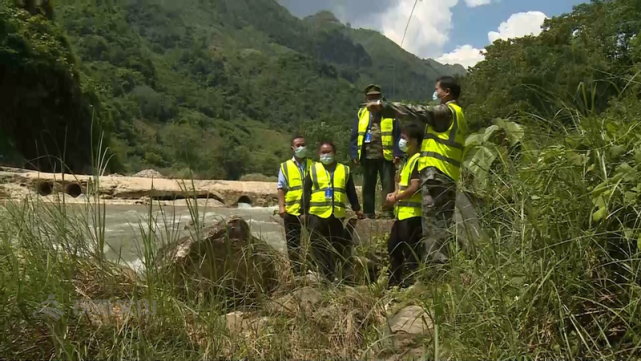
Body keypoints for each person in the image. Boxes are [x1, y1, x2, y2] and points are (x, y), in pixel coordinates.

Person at [367, 76, 467, 265]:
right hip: (447, 176)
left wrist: (385, 107)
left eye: (437, 89)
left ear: (447, 92)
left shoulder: (446, 112)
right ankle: (439, 269)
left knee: (433, 228)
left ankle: (434, 274)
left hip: (437, 175)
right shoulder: (459, 114)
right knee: (442, 225)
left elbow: (417, 112)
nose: (435, 93)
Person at [302, 141, 364, 281]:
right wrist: (303, 212)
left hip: (336, 214)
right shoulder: (312, 169)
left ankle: (337, 274)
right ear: (319, 154)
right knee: (317, 245)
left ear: (334, 153)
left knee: (336, 245)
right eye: (323, 152)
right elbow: (306, 193)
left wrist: (357, 209)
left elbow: (351, 192)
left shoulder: (344, 170)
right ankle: (326, 274)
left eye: (329, 152)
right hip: (316, 214)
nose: (326, 155)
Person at [350, 84, 403, 219]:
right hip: (368, 155)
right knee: (368, 184)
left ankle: (387, 212)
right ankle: (368, 212)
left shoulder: (390, 113)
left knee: (387, 184)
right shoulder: (362, 113)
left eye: (376, 97)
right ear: (366, 99)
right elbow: (355, 134)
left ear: (381, 98)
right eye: (370, 97)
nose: (373, 100)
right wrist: (355, 153)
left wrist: (397, 153)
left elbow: (398, 134)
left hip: (386, 155)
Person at [384, 123, 424, 287]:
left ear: (414, 141)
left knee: (411, 253)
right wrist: (394, 194)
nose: (401, 141)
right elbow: (402, 184)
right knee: (393, 247)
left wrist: (397, 197)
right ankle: (394, 283)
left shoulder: (417, 160)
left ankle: (414, 284)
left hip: (413, 215)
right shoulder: (407, 161)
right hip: (402, 215)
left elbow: (415, 187)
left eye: (404, 138)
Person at [277, 135, 313, 275]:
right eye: (298, 145)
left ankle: (314, 268)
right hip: (292, 210)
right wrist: (281, 207)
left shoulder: (313, 165)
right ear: (292, 148)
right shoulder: (285, 166)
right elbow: (281, 188)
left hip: (311, 210)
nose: (301, 147)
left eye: (303, 144)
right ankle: (297, 272)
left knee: (315, 240)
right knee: (293, 243)